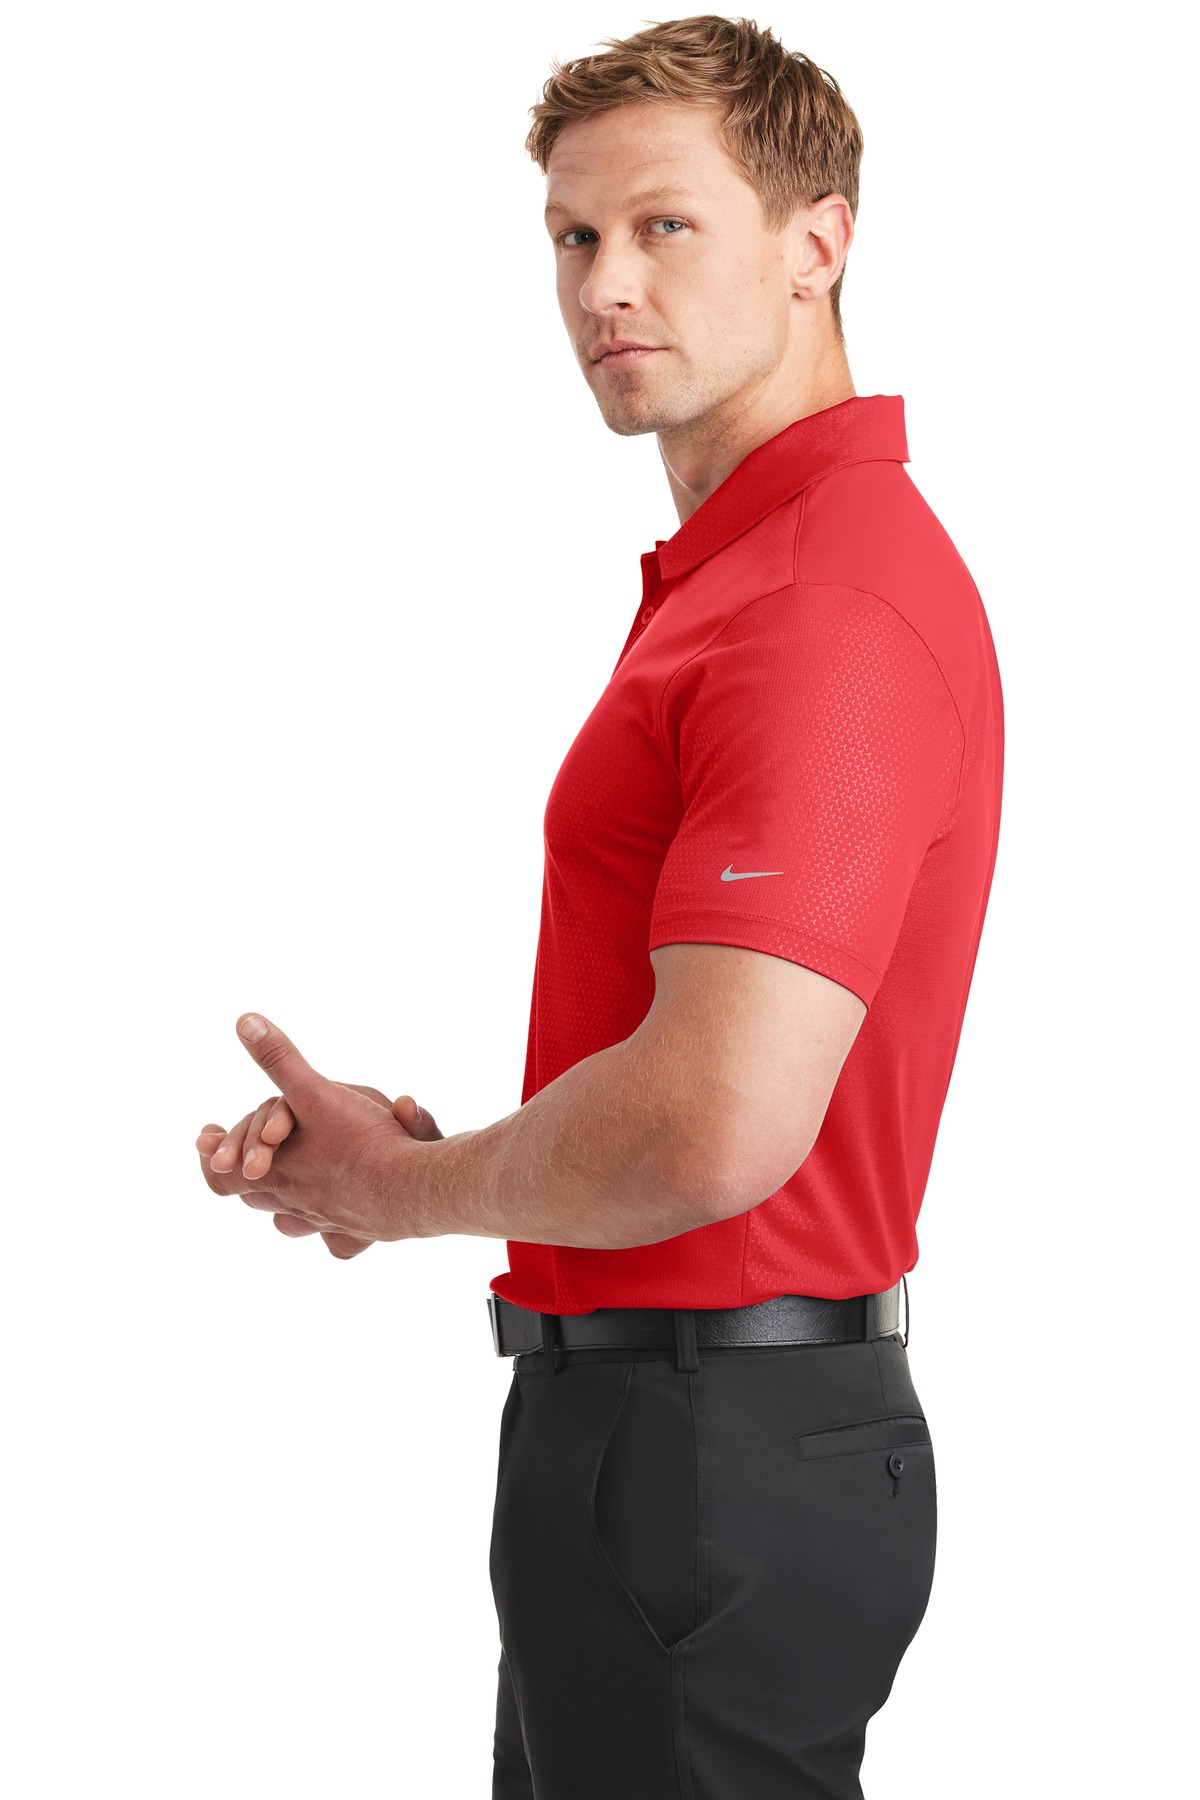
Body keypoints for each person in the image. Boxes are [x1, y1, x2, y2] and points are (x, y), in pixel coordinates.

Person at [195, 15, 1004, 1797]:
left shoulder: (817, 606)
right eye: (572, 236)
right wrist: (445, 1160)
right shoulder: (742, 581)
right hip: (670, 1433)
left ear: (817, 243)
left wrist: (394, 1190)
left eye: (664, 226)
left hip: (711, 1449)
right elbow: (681, 1071)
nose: (603, 287)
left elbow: (716, 1125)